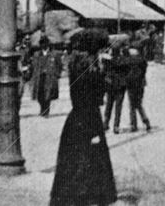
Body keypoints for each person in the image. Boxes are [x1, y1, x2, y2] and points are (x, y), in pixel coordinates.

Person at [50, 29, 116, 206]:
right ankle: (87, 195)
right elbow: (98, 93)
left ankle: (76, 195)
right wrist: (105, 73)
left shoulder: (77, 65)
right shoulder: (89, 69)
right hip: (88, 116)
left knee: (74, 159)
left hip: (77, 117)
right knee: (89, 157)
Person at [121, 44, 151, 132]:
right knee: (138, 104)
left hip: (131, 85)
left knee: (132, 105)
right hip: (140, 84)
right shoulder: (141, 60)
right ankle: (146, 121)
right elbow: (145, 68)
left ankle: (134, 124)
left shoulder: (127, 61)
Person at [31, 36, 62, 117]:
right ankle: (42, 108)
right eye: (42, 43)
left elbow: (59, 65)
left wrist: (57, 74)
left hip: (49, 77)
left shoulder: (54, 54)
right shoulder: (37, 54)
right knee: (39, 95)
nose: (44, 45)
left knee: (48, 94)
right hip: (39, 76)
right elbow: (33, 65)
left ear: (48, 44)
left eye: (45, 43)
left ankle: (46, 111)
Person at [102, 39, 128, 134]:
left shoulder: (107, 60)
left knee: (109, 104)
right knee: (118, 106)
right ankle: (116, 125)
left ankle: (105, 123)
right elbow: (127, 70)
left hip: (110, 84)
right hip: (121, 85)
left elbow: (104, 71)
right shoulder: (123, 60)